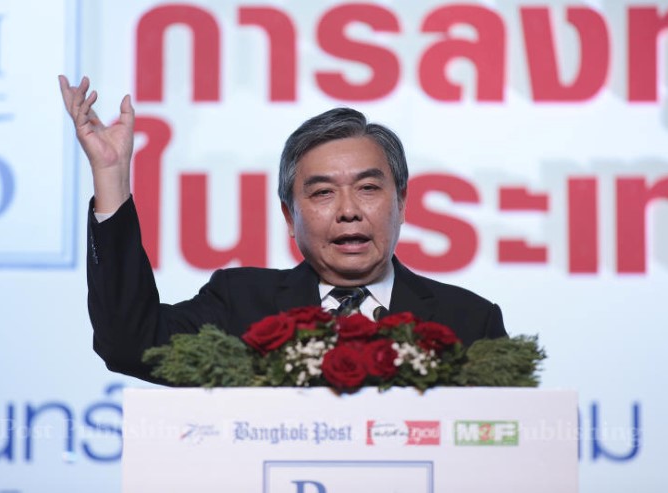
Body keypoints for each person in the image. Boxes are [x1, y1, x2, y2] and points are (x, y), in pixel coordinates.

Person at [59, 75, 507, 383]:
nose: (349, 211)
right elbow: (130, 344)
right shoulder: (239, 305)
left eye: (368, 188)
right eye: (323, 193)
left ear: (402, 203)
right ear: (290, 217)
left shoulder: (470, 322)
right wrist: (112, 177)